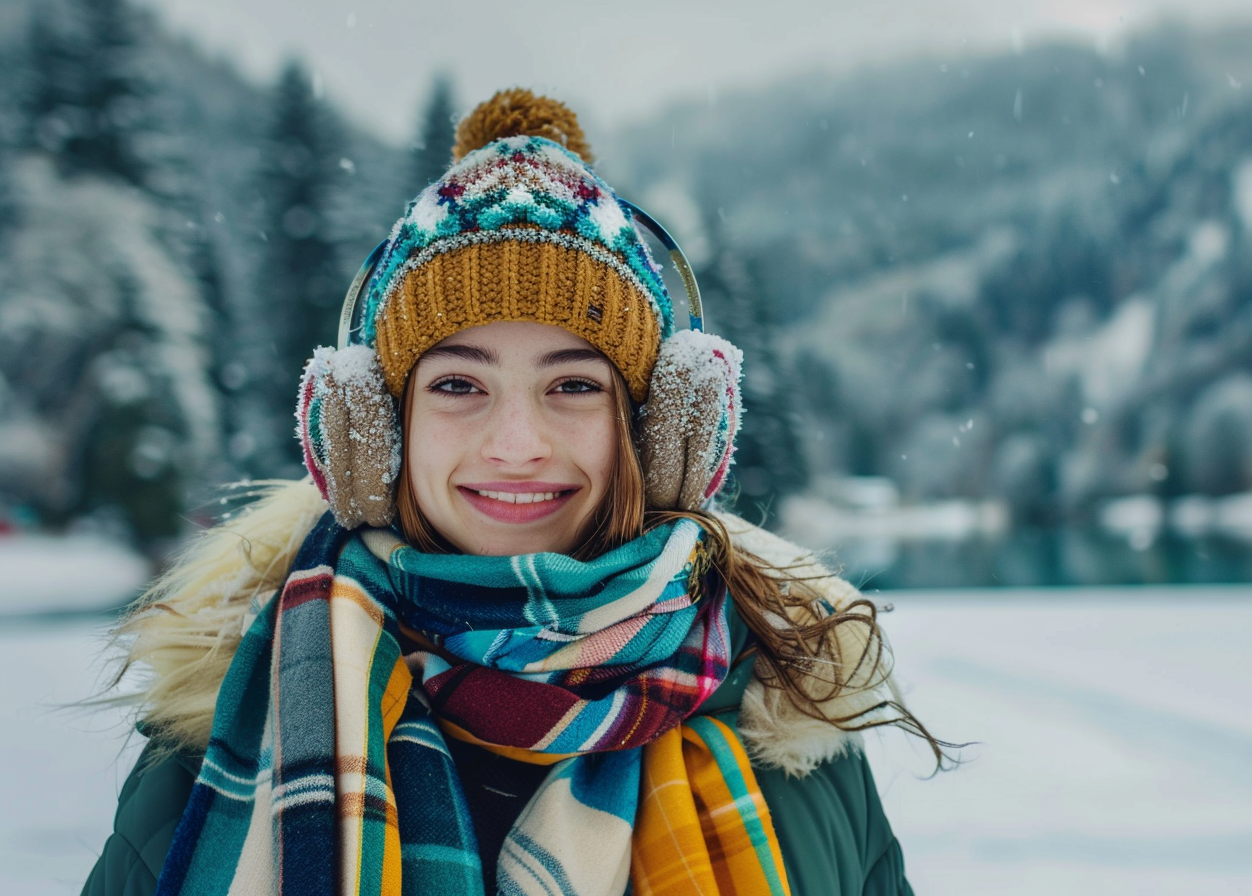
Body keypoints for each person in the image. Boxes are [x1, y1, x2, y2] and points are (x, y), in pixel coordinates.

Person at [82, 89, 943, 896]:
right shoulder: (214, 742)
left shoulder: (789, 735)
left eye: (573, 385)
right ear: (372, 430)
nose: (517, 445)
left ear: (658, 433)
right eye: (458, 385)